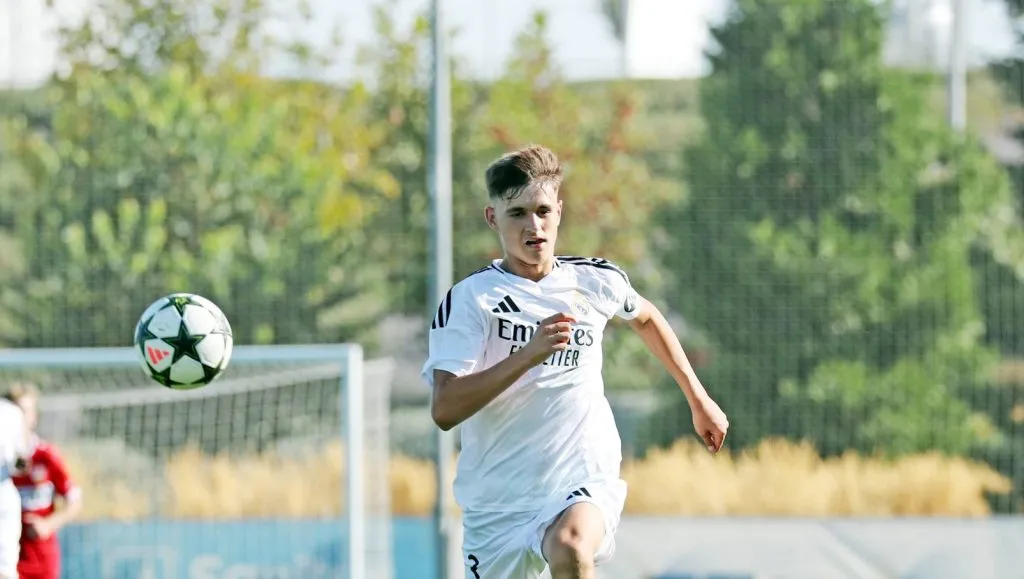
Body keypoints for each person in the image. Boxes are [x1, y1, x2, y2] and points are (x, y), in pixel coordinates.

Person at [422, 144, 730, 579]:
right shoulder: (472, 300)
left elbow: (645, 317)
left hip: (579, 479)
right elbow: (445, 408)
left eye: (544, 211)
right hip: (499, 504)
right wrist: (528, 355)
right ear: (493, 218)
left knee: (569, 546)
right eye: (518, 213)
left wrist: (699, 400)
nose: (534, 226)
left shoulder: (594, 280)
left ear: (560, 212)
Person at [5, 383, 83, 579]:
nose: (20, 418)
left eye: (25, 411)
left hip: (42, 561)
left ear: (34, 417)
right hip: (7, 557)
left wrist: (48, 524)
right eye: (15, 411)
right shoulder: (3, 460)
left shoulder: (46, 456)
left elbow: (74, 501)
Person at [0, 396, 27, 579]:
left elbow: (21, 460)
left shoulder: (12, 412)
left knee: (6, 569)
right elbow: (21, 460)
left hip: (5, 495)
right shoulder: (12, 412)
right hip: (5, 494)